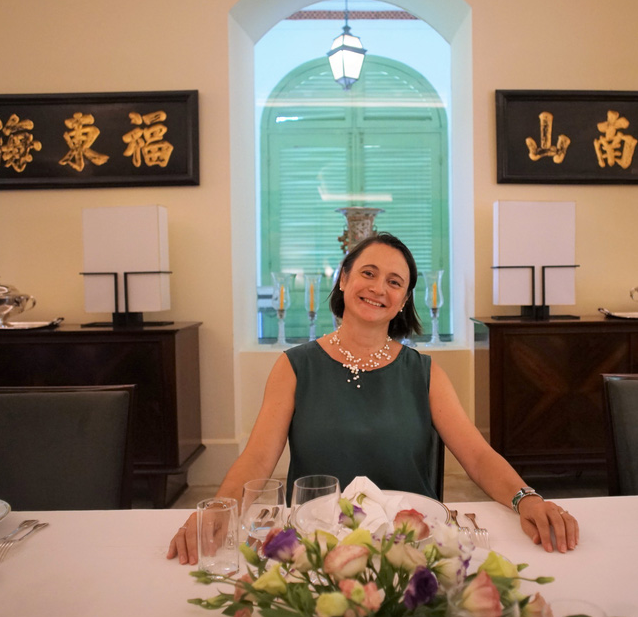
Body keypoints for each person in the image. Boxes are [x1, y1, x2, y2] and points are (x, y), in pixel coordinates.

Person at [167, 232, 579, 565]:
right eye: (368, 273)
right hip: (316, 552)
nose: (379, 288)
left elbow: (477, 456)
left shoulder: (425, 373)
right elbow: (258, 458)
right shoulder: (294, 367)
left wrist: (527, 497)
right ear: (344, 279)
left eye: (394, 282)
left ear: (402, 300)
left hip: (411, 551)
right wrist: (220, 509)